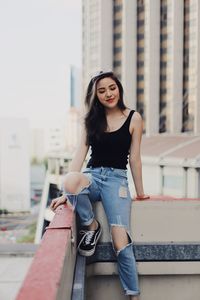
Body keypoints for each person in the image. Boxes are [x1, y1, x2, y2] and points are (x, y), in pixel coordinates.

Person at [50, 71, 149, 299]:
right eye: (102, 91)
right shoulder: (91, 121)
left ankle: (132, 294)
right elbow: (80, 154)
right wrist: (68, 192)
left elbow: (134, 158)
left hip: (117, 181)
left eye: (112, 88)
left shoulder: (134, 118)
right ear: (96, 96)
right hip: (93, 176)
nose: (108, 94)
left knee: (120, 240)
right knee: (70, 180)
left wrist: (141, 192)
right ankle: (91, 225)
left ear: (119, 89)